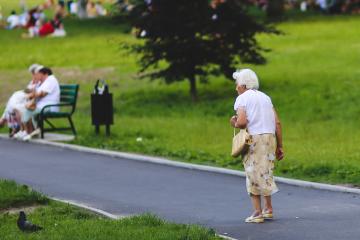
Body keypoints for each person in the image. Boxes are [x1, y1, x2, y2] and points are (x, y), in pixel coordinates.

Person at [229, 69, 284, 223]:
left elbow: (241, 122)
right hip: (269, 138)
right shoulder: (266, 98)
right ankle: (268, 209)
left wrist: (233, 122)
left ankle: (257, 213)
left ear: (243, 84)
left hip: (254, 140)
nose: (236, 88)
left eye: (237, 84)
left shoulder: (242, 99)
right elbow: (277, 123)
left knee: (252, 173)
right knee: (265, 171)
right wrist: (280, 146)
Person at [1, 64, 42, 137]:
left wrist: (29, 93)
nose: (33, 75)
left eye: (34, 73)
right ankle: (12, 126)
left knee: (14, 105)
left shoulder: (40, 82)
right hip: (26, 99)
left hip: (31, 102)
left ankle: (16, 128)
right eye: (32, 73)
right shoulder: (33, 81)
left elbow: (34, 94)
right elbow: (28, 90)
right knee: (13, 101)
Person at [20, 67, 60, 141]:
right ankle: (32, 131)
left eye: (39, 74)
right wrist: (33, 87)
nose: (37, 76)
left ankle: (27, 131)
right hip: (42, 106)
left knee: (29, 110)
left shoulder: (51, 80)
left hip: (49, 106)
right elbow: (33, 92)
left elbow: (42, 94)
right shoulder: (43, 82)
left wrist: (31, 95)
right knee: (26, 108)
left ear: (45, 74)